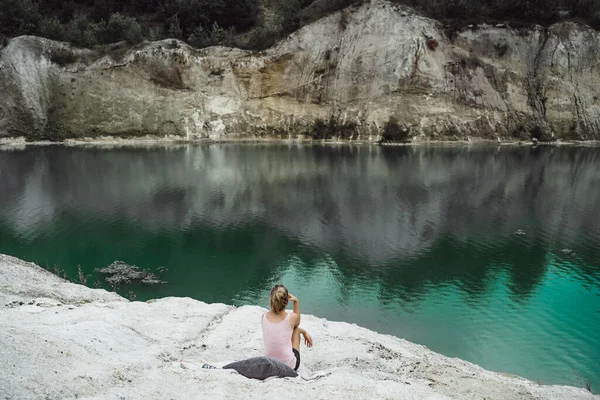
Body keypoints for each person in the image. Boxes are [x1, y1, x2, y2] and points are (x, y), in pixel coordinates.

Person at [261, 284, 313, 371]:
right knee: (295, 330)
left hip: (269, 364)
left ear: (271, 299)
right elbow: (297, 324)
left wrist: (303, 331)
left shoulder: (264, 316)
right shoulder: (292, 317)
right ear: (286, 301)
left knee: (288, 330)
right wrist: (296, 301)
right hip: (289, 366)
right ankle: (293, 362)